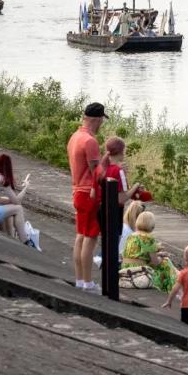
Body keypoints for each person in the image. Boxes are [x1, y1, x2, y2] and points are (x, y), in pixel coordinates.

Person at [69, 103, 105, 290]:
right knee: (90, 238)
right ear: (97, 119)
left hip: (77, 191)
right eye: (101, 121)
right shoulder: (90, 141)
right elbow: (96, 173)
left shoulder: (75, 137)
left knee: (80, 236)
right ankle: (88, 282)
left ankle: (80, 280)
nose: (101, 125)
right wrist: (110, 166)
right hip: (89, 194)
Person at [121, 211, 177, 292]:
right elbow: (155, 262)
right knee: (166, 263)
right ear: (151, 225)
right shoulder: (148, 238)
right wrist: (161, 257)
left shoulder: (131, 236)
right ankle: (169, 289)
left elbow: (138, 255)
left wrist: (158, 254)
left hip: (126, 267)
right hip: (140, 269)